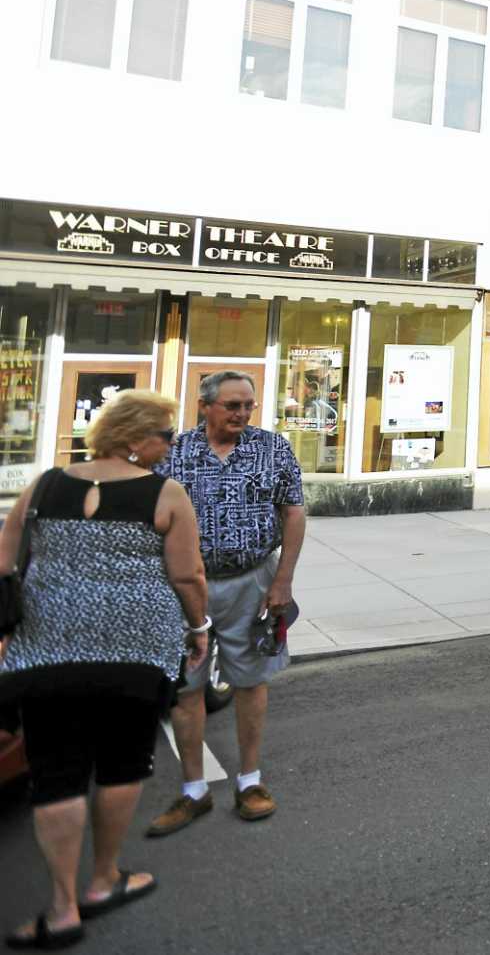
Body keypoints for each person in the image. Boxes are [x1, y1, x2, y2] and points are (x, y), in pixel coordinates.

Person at [0, 390, 208, 949]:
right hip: (135, 653)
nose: (170, 443)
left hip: (48, 649)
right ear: (135, 437)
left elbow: (5, 559)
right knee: (122, 764)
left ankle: (61, 907)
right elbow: (187, 577)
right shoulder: (166, 494)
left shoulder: (46, 484)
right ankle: (103, 879)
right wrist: (199, 629)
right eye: (165, 434)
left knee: (57, 774)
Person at [149, 370, 306, 835]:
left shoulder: (272, 447)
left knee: (251, 681)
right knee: (186, 686)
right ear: (205, 406)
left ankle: (250, 781)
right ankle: (193, 790)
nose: (241, 414)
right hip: (185, 586)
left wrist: (283, 580)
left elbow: (293, 513)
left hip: (251, 582)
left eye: (247, 406)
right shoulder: (175, 452)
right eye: (231, 405)